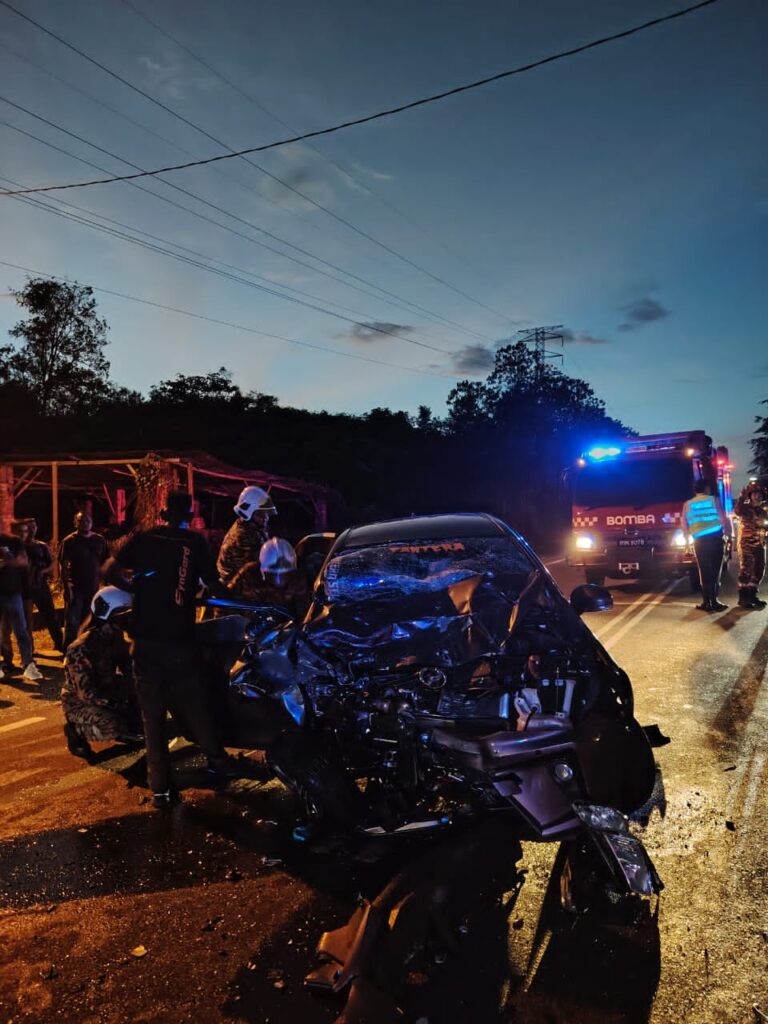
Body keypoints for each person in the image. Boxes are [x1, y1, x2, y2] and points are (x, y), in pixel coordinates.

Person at [105, 491, 246, 807]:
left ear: (164, 512)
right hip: (179, 642)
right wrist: (244, 603)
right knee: (197, 707)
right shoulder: (194, 544)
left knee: (152, 719)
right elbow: (214, 584)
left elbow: (109, 571)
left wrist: (136, 588)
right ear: (190, 513)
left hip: (144, 644)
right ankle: (218, 762)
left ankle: (160, 790)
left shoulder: (143, 538)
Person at [62, 586, 143, 759]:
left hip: (107, 689)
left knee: (142, 707)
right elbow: (86, 694)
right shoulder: (80, 648)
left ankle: (127, 725)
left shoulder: (115, 637)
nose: (128, 620)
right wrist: (119, 705)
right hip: (79, 702)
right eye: (123, 616)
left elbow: (130, 670)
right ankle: (76, 731)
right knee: (111, 725)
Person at [59, 512, 108, 648]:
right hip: (75, 587)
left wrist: (104, 584)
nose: (85, 523)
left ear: (91, 522)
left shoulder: (99, 540)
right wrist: (66, 587)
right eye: (81, 521)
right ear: (76, 523)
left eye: (87, 520)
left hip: (93, 587)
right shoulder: (69, 541)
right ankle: (69, 650)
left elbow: (105, 562)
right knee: (72, 620)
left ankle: (86, 647)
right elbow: (63, 566)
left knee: (90, 619)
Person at [217, 485, 276, 598]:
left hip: (241, 586)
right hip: (236, 592)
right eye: (261, 514)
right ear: (249, 512)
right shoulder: (244, 536)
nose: (266, 518)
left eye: (266, 514)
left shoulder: (251, 529)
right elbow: (259, 569)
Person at [230, 538, 310, 619]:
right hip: (249, 625)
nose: (278, 578)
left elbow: (304, 615)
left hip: (284, 627)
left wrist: (289, 596)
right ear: (263, 570)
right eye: (273, 573)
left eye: (285, 573)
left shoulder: (298, 581)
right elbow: (228, 601)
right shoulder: (249, 574)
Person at [681, 480, 730, 613]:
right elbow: (723, 519)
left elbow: (684, 525)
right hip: (715, 540)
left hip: (699, 542)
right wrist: (729, 536)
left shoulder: (687, 504)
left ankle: (705, 601)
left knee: (703, 571)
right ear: (707, 488)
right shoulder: (714, 500)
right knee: (715, 570)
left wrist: (687, 544)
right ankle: (714, 601)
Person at [0, 525, 42, 681]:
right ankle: (4, 665)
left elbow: (23, 562)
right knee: (2, 633)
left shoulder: (13, 541)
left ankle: (28, 664)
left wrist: (7, 559)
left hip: (13, 593)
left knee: (21, 630)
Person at [24, 518, 64, 653]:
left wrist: (43, 571)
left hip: (41, 586)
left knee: (50, 615)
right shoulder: (19, 546)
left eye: (34, 527)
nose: (32, 530)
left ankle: (59, 643)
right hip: (25, 588)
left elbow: (52, 563)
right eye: (29, 527)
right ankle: (29, 649)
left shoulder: (41, 546)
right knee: (26, 620)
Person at [734, 481, 768, 609]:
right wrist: (742, 497)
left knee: (759, 570)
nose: (757, 496)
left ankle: (752, 596)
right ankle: (743, 598)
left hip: (760, 544)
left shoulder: (762, 511)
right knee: (746, 569)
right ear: (750, 496)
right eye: (754, 494)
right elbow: (737, 511)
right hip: (746, 544)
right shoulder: (745, 508)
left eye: (759, 494)